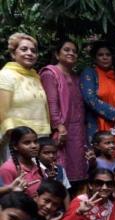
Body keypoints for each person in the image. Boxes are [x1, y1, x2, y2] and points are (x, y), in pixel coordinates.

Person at [39, 39, 87, 185]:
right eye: (66, 50)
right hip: (62, 129)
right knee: (60, 166)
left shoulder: (76, 76)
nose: (71, 53)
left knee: (78, 171)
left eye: (74, 51)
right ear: (57, 54)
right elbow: (51, 103)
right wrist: (59, 126)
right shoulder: (50, 73)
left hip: (77, 129)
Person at [0, 33, 50, 159]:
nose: (29, 53)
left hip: (40, 138)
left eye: (33, 51)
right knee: (20, 176)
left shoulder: (35, 76)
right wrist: (17, 138)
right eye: (24, 49)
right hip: (18, 140)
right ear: (13, 53)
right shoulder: (6, 75)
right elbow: (2, 111)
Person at [80, 41, 115, 149]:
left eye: (108, 55)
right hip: (97, 126)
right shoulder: (89, 73)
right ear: (95, 58)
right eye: (100, 55)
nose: (105, 57)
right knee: (99, 162)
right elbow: (90, 99)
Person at [0, 126, 43, 198]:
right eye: (27, 143)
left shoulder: (36, 166)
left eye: (35, 142)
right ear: (15, 146)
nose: (34, 146)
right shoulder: (8, 168)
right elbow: (6, 200)